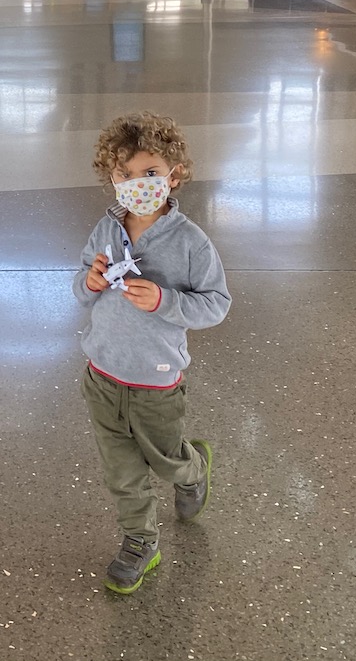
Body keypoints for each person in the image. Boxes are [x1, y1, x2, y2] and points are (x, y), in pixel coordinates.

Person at [73, 112, 231, 595]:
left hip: (156, 383)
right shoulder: (106, 230)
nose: (137, 184)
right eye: (125, 174)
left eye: (150, 173)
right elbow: (81, 286)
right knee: (122, 473)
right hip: (102, 374)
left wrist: (166, 301)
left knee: (163, 460)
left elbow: (217, 304)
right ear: (111, 178)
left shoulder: (190, 243)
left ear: (173, 174)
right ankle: (141, 541)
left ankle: (192, 469)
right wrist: (90, 281)